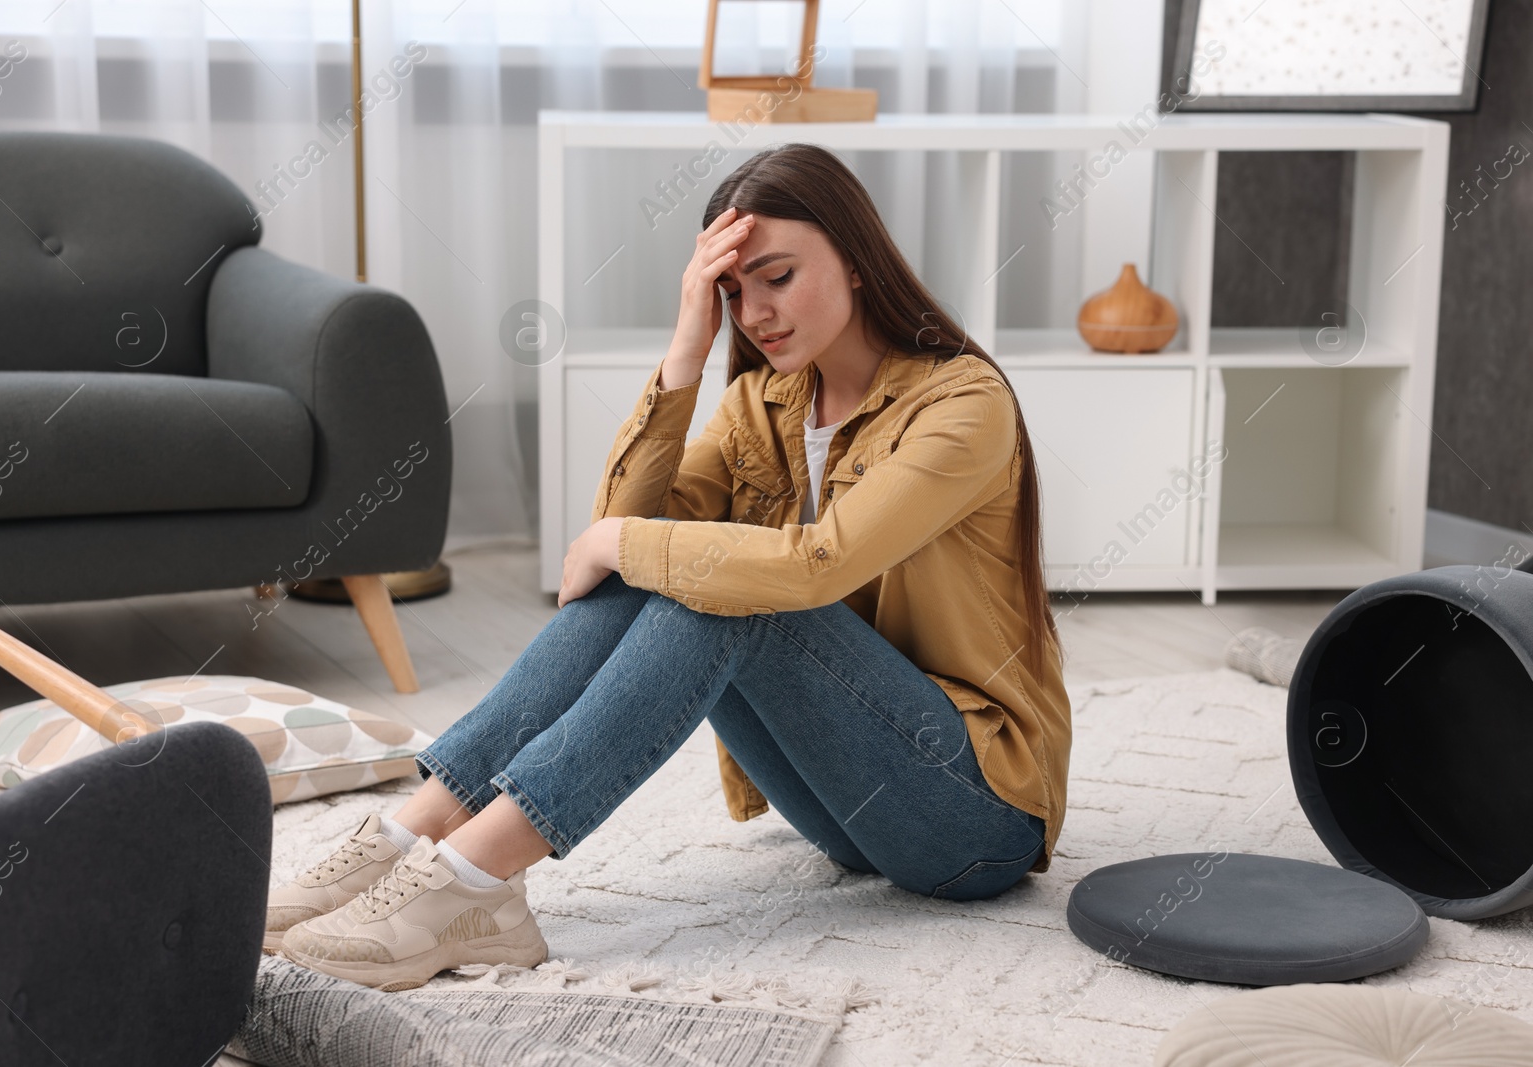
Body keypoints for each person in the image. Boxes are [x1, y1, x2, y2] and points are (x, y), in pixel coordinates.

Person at [267, 143, 1072, 993]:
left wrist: (623, 544)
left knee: (724, 588)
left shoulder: (962, 401)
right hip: (848, 811)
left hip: (973, 813)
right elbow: (617, 536)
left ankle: (472, 879)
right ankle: (412, 835)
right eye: (733, 290)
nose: (756, 311)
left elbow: (811, 567)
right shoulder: (766, 399)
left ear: (858, 256)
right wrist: (687, 349)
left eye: (778, 276)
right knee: (678, 567)